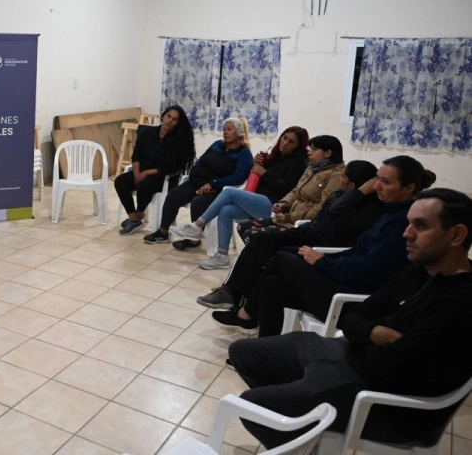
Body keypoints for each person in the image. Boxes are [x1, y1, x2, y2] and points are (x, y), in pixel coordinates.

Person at [228, 188, 472, 449]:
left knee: (253, 405)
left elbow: (395, 369)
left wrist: (363, 332)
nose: (406, 233)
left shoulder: (460, 301)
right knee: (243, 352)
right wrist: (371, 333)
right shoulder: (417, 272)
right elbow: (356, 315)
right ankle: (303, 427)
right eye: (409, 223)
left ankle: (303, 424)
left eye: (421, 225)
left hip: (379, 399)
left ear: (456, 235)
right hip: (348, 355)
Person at [214, 155, 435, 336]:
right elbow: (357, 252)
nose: (376, 186)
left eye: (385, 182)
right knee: (273, 284)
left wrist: (323, 262)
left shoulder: (401, 224)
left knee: (281, 257)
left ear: (409, 188)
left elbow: (369, 271)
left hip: (352, 300)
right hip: (342, 278)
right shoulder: (390, 214)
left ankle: (245, 312)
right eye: (376, 179)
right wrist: (323, 259)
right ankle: (259, 341)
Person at [196, 160, 382, 309]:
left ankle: (241, 302)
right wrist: (285, 204)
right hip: (304, 230)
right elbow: (295, 193)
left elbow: (331, 212)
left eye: (345, 176)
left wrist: (359, 192)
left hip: (314, 242)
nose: (340, 177)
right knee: (258, 237)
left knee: (266, 246)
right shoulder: (321, 179)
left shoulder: (365, 209)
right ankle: (232, 292)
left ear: (352, 185)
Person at [168, 126, 309, 268]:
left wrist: (264, 172)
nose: (285, 143)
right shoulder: (276, 157)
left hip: (274, 206)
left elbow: (287, 189)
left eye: (291, 142)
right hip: (258, 200)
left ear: (298, 146)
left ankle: (197, 226)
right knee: (226, 210)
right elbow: (258, 177)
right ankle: (222, 256)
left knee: (229, 192)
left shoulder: (299, 162)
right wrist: (258, 164)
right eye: (284, 138)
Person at [144, 118, 252, 246]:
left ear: (239, 132)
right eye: (224, 130)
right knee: (173, 196)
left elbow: (238, 178)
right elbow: (200, 161)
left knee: (197, 203)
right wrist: (194, 173)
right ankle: (163, 233)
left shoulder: (244, 154)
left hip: (218, 190)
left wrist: (214, 183)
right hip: (197, 182)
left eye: (229, 130)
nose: (225, 133)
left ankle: (194, 240)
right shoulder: (217, 144)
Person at [114, 105, 196, 235]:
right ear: (163, 116)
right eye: (168, 116)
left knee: (144, 184)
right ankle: (133, 217)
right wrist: (136, 174)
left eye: (174, 119)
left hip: (163, 177)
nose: (170, 121)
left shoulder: (177, 141)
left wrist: (146, 173)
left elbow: (172, 167)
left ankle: (139, 213)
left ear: (177, 123)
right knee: (120, 181)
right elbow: (136, 155)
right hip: (141, 171)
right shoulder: (147, 133)